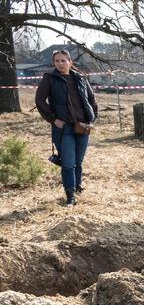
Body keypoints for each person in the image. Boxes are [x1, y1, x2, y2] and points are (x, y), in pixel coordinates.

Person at [34, 50, 98, 206]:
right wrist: (53, 119)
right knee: (68, 162)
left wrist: (92, 119)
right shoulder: (50, 78)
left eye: (63, 60)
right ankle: (70, 195)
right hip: (64, 128)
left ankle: (77, 187)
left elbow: (92, 100)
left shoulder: (80, 78)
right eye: (57, 61)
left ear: (70, 62)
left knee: (78, 161)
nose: (60, 64)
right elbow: (40, 100)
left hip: (82, 126)